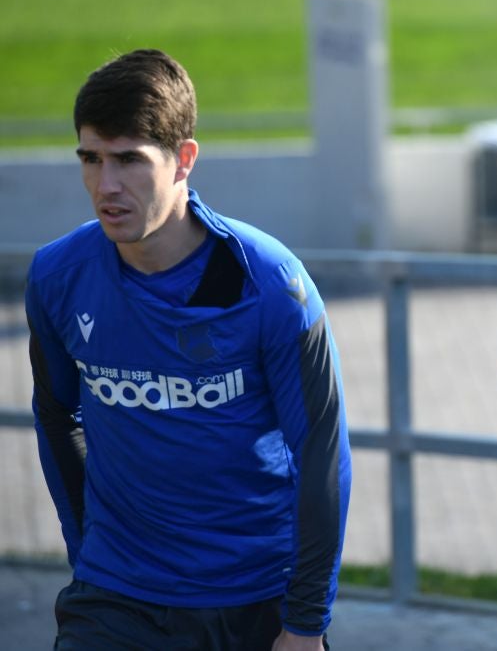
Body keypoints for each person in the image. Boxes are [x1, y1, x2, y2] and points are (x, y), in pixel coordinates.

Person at [26, 49, 352, 650]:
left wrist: (305, 623)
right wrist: (86, 548)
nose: (106, 185)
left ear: (184, 161)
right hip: (114, 598)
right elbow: (55, 412)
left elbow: (322, 455)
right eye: (91, 159)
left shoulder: (272, 284)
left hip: (254, 600)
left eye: (129, 160)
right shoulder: (56, 276)